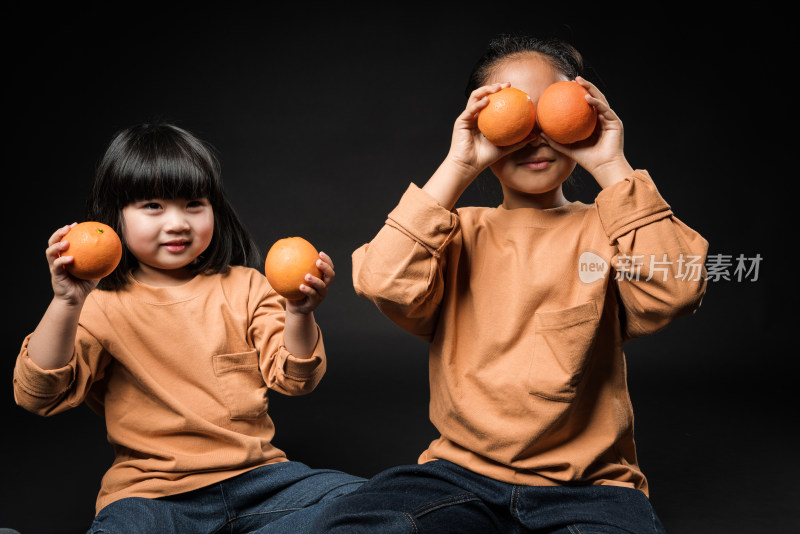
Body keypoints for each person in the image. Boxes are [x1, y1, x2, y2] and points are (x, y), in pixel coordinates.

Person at [310, 34, 709, 533]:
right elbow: (384, 280)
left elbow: (679, 286)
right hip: (460, 476)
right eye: (514, 115)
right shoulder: (454, 233)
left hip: (589, 487)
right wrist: (457, 167)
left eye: (551, 114)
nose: (535, 136)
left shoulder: (610, 230)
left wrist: (611, 165)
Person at [12, 122, 364, 533]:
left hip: (261, 484)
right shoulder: (99, 305)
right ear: (114, 218)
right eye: (153, 206)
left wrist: (300, 312)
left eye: (194, 203)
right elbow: (37, 394)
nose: (178, 223)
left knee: (370, 502)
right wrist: (66, 302)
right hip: (152, 497)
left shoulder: (249, 287)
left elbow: (296, 379)